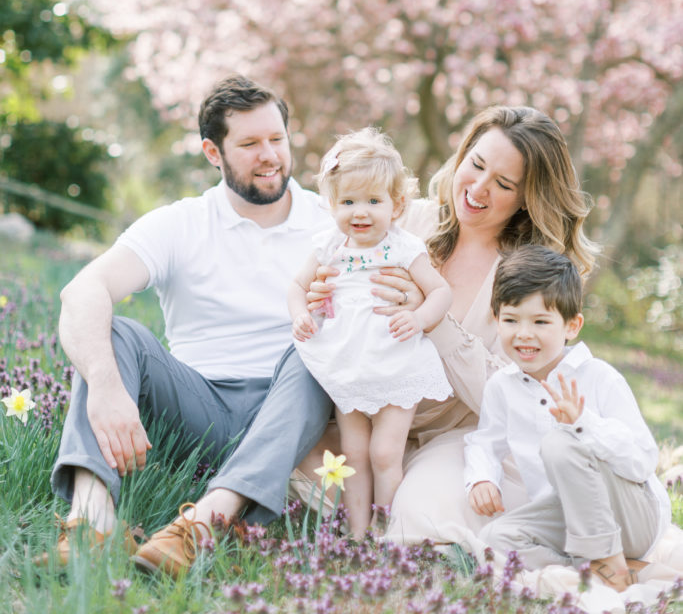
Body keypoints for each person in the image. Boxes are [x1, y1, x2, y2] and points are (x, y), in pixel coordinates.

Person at [49, 74, 350, 578]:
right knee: (117, 332)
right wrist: (104, 386)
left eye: (277, 139)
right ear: (214, 152)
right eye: (250, 144)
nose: (270, 155)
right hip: (197, 407)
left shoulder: (334, 224)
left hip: (291, 413)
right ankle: (91, 526)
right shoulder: (181, 223)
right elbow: (82, 290)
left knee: (313, 350)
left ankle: (199, 528)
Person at [303, 106, 599, 545]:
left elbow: (513, 394)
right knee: (302, 468)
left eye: (503, 184)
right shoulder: (406, 221)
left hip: (451, 436)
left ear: (526, 198)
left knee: (416, 509)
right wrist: (321, 298)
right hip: (365, 410)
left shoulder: (528, 276)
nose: (478, 188)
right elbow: (338, 271)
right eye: (476, 165)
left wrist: (433, 319)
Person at [463, 244, 671, 592]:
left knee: (560, 441)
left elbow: (642, 462)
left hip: (631, 517)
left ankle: (608, 560)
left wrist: (582, 425)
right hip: (569, 517)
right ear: (496, 319)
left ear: (572, 326)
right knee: (495, 538)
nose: (524, 334)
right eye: (511, 320)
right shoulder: (502, 386)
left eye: (541, 322)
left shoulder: (599, 378)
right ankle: (610, 571)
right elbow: (486, 440)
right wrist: (482, 478)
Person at [288, 128, 452, 537]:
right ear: (331, 204)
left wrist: (419, 318)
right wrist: (299, 313)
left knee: (383, 451)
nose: (360, 212)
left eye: (373, 201)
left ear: (396, 206)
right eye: (348, 202)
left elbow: (440, 291)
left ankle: (390, 532)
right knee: (354, 453)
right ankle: (356, 535)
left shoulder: (403, 246)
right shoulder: (330, 245)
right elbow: (296, 285)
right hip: (348, 362)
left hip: (396, 361)